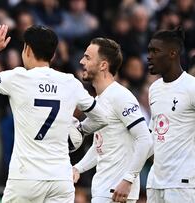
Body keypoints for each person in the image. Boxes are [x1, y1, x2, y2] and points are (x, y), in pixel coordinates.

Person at [0, 24, 108, 202]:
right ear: (53, 54)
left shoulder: (17, 78)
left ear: (27, 49)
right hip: (61, 178)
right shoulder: (70, 82)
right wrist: (80, 130)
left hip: (26, 177)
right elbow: (102, 118)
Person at [73, 37, 152, 203]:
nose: (81, 61)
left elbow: (145, 139)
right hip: (104, 189)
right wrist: (78, 168)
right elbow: (101, 146)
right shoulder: (100, 100)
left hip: (116, 192)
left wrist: (128, 180)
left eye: (87, 57)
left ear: (103, 65)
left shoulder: (120, 96)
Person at [146, 28, 195, 202]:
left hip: (182, 185)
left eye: (155, 51)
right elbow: (154, 134)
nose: (149, 56)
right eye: (149, 50)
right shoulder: (154, 89)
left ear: (173, 53)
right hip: (155, 182)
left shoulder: (191, 87)